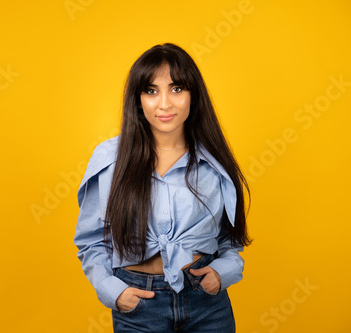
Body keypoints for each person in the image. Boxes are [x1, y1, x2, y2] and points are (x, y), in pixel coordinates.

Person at [73, 42, 251, 332]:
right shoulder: (109, 159)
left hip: (207, 303)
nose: (165, 103)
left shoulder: (214, 160)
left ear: (194, 95)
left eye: (177, 89)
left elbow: (229, 237)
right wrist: (111, 290)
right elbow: (91, 240)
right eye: (151, 91)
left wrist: (223, 272)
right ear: (138, 99)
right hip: (140, 306)